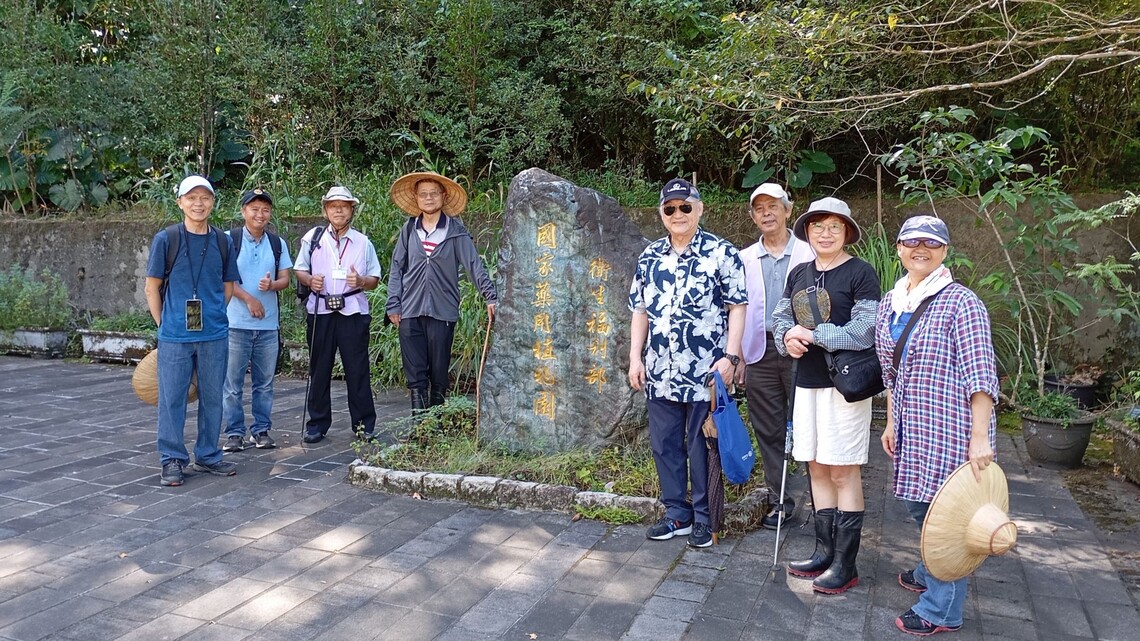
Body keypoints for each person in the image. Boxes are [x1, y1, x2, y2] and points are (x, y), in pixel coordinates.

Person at [875, 215, 998, 636]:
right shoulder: (890, 303)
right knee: (918, 503)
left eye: (931, 242)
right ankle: (933, 566)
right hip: (913, 427)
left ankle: (942, 608)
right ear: (899, 249)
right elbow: (890, 373)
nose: (920, 248)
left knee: (946, 516)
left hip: (955, 429)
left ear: (945, 251)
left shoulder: (962, 302)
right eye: (912, 242)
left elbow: (981, 374)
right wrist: (891, 422)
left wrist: (979, 438)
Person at [628, 178, 747, 549]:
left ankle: (702, 516)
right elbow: (640, 311)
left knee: (701, 444)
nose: (678, 214)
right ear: (661, 214)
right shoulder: (649, 256)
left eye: (685, 207)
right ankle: (675, 513)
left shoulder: (721, 252)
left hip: (704, 370)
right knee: (664, 444)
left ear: (699, 208)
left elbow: (737, 306)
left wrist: (731, 356)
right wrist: (635, 356)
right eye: (670, 208)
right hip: (659, 371)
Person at [772, 196, 880, 594]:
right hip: (806, 382)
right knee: (815, 465)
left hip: (844, 387)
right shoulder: (799, 273)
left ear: (847, 232)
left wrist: (812, 335)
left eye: (835, 226)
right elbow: (781, 316)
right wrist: (788, 336)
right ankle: (824, 551)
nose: (826, 233)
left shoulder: (860, 273)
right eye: (818, 226)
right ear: (807, 231)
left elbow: (864, 330)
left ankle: (845, 565)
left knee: (842, 469)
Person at [144, 175, 239, 486]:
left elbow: (227, 287)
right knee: (172, 398)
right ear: (180, 202)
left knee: (213, 397)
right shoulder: (167, 239)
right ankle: (172, 459)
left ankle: (209, 455)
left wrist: (213, 314)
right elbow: (152, 287)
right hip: (175, 337)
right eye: (192, 198)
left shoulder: (223, 241)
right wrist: (165, 325)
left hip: (214, 334)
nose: (199, 204)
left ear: (213, 202)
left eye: (205, 198)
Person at [386, 172, 497, 412]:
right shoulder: (408, 230)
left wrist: (490, 296)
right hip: (410, 309)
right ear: (416, 198)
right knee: (415, 371)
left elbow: (473, 265)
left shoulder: (456, 231)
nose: (428, 198)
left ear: (443, 196)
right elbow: (396, 267)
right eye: (423, 194)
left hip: (443, 310)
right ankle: (419, 426)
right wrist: (393, 304)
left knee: (438, 370)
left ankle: (436, 423)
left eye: (433, 193)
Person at [739, 183, 815, 529]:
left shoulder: (810, 253)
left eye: (773, 206)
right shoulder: (743, 259)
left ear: (788, 209)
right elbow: (735, 311)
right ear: (753, 216)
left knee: (810, 423)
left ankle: (822, 499)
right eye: (759, 209)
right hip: (759, 350)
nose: (766, 213)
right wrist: (738, 356)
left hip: (804, 350)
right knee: (768, 426)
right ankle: (780, 498)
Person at [294, 186, 382, 443]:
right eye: (334, 206)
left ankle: (364, 424)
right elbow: (299, 269)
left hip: (352, 310)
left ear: (352, 210)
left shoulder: (363, 242)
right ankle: (317, 424)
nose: (339, 210)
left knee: (357, 368)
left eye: (344, 206)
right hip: (320, 309)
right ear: (326, 210)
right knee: (319, 367)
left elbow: (375, 278)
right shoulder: (313, 237)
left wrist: (361, 280)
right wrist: (311, 280)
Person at [221, 188, 293, 452]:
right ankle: (234, 434)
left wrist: (272, 285)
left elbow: (286, 279)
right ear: (243, 211)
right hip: (235, 324)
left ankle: (261, 431)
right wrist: (249, 299)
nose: (260, 214)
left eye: (265, 210)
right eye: (254, 209)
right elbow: (224, 279)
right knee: (232, 385)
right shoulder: (229, 240)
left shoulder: (277, 243)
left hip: (267, 327)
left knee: (264, 384)